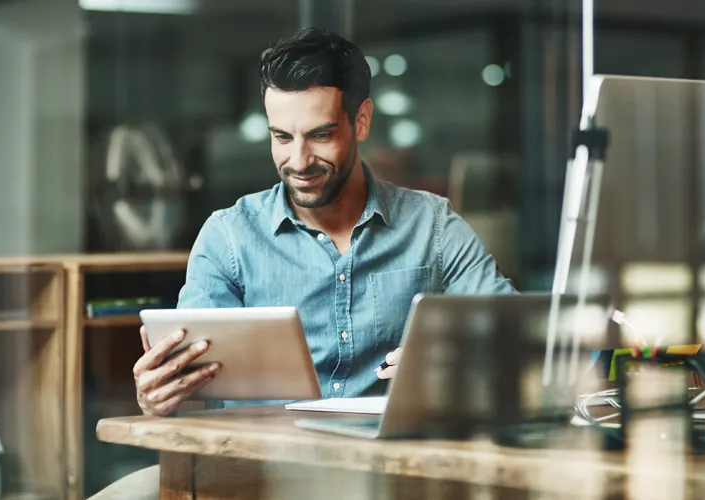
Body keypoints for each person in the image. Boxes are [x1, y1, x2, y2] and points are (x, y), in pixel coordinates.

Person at [89, 26, 514, 499]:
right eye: (281, 137)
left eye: (320, 135)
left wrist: (458, 366)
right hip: (252, 475)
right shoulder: (229, 236)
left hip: (389, 475)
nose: (299, 160)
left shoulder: (432, 226)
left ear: (362, 121)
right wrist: (158, 397)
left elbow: (519, 341)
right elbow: (195, 394)